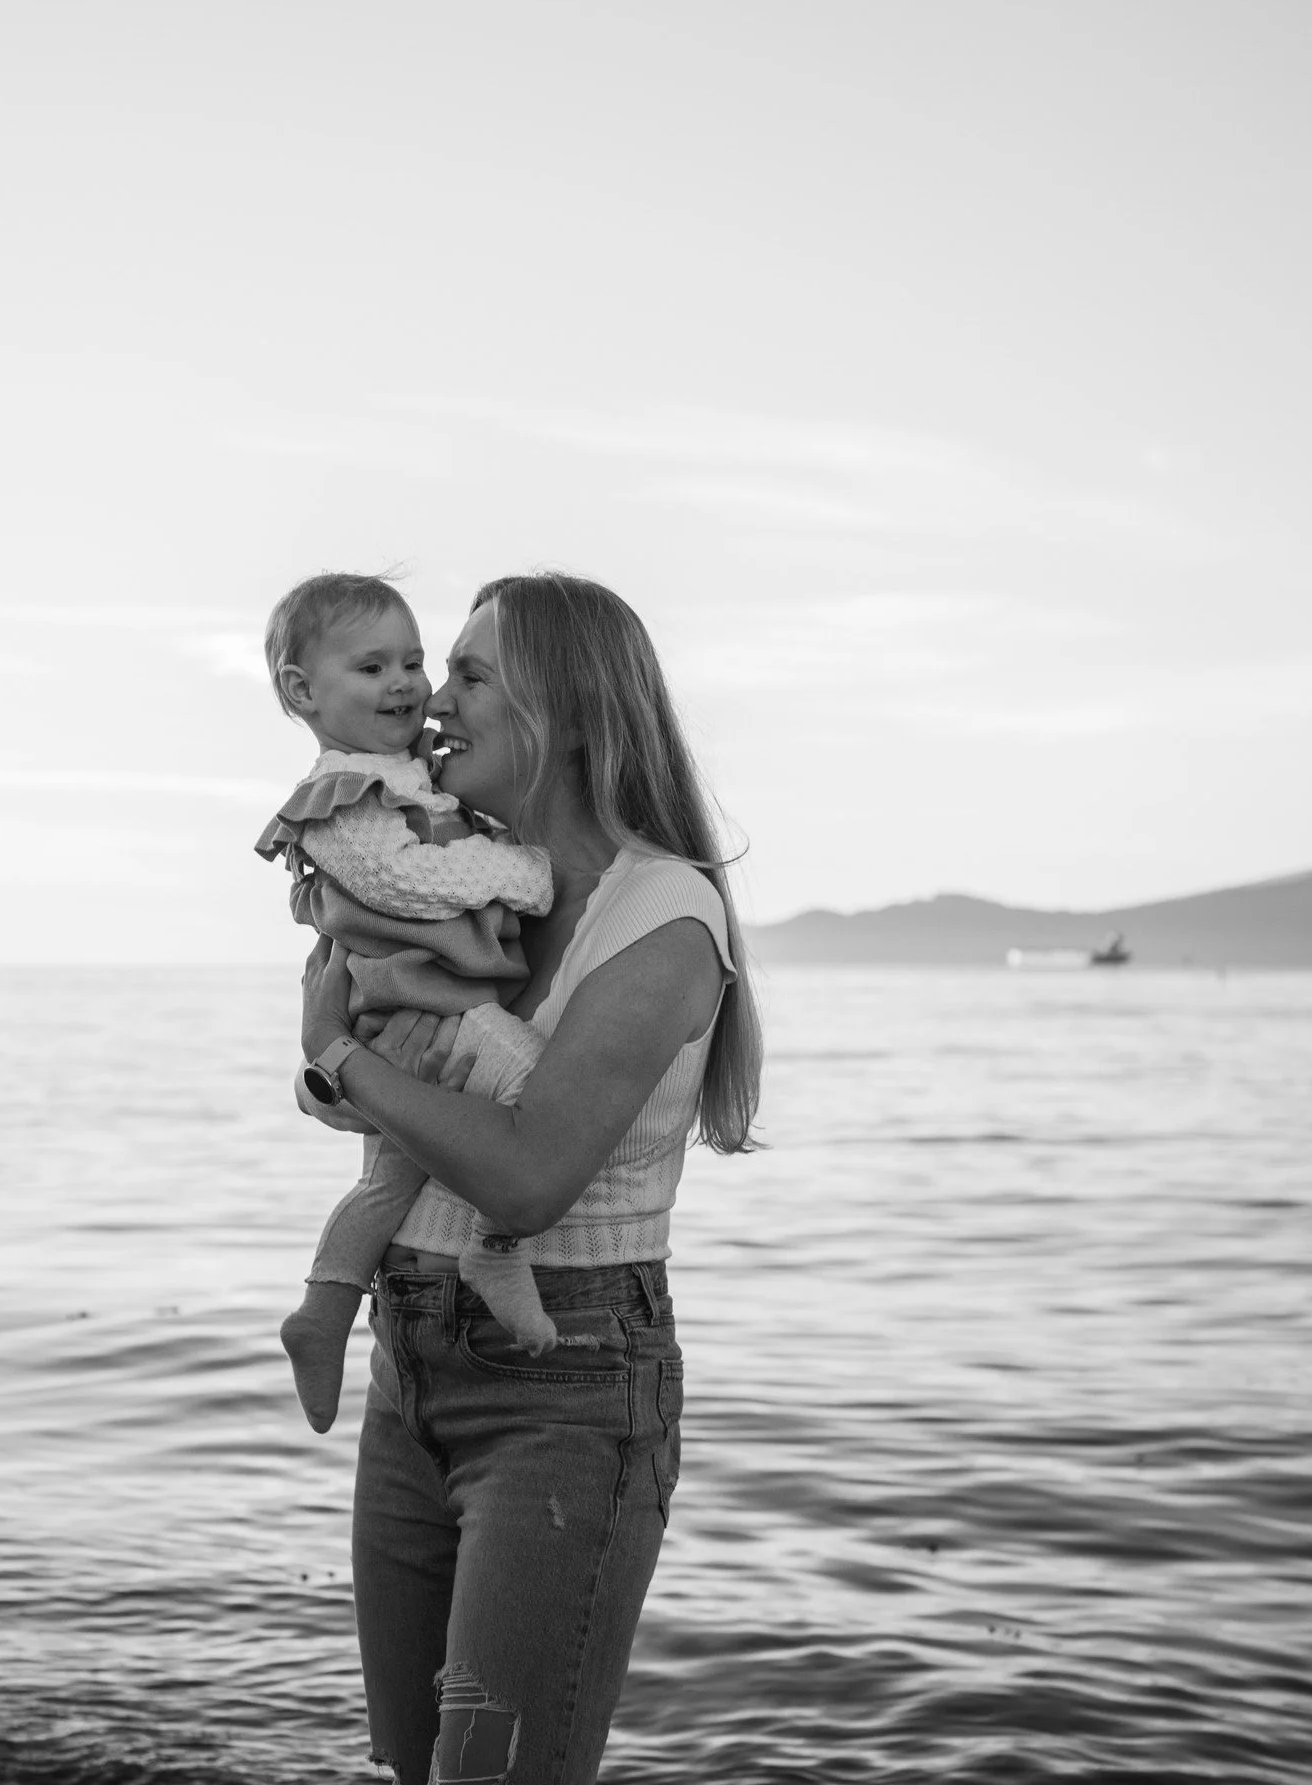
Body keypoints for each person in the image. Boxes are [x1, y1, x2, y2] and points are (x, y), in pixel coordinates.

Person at [297, 571, 763, 1785]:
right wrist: (346, 1061)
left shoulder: (663, 916)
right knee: (415, 1771)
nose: (431, 701)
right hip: (411, 1361)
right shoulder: (465, 880)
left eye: (468, 674)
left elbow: (525, 1180)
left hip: (567, 1389)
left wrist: (337, 1054)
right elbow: (398, 1088)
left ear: (566, 710)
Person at [255, 572, 562, 1434]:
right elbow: (407, 881)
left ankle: (321, 1313)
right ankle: (496, 1249)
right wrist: (526, 874)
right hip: (422, 1011)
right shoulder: (342, 796)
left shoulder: (411, 774)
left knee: (392, 1183)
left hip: (426, 1009)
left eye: (414, 662)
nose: (404, 684)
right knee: (534, 1092)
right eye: (372, 667)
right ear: (303, 692)